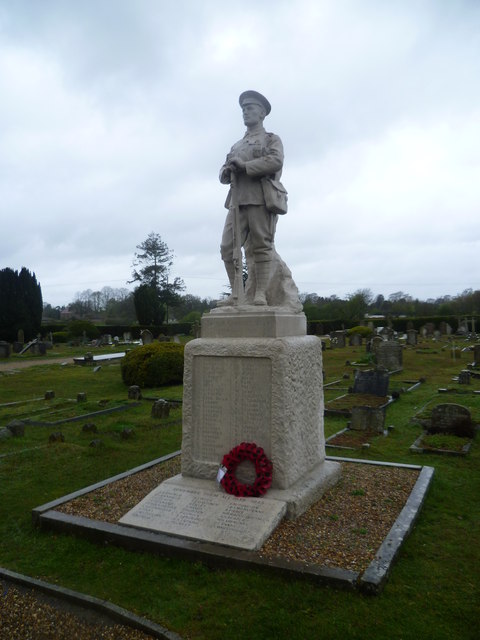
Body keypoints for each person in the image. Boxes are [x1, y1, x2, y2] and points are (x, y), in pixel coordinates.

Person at [219, 90, 284, 306]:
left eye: (250, 108)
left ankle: (261, 294)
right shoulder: (237, 145)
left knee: (261, 246)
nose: (245, 112)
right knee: (227, 248)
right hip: (236, 203)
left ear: (262, 113)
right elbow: (223, 172)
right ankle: (237, 293)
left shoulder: (270, 139)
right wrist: (226, 171)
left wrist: (245, 166)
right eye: (243, 109)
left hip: (259, 199)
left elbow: (275, 161)